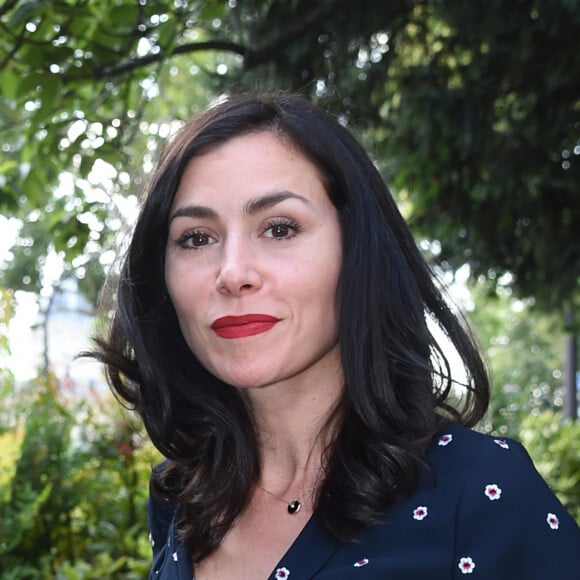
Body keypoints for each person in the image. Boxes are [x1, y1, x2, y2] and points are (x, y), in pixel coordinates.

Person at [91, 93, 580, 579]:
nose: (232, 272)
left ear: (357, 251)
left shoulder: (483, 496)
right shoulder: (181, 498)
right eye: (196, 238)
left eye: (279, 228)